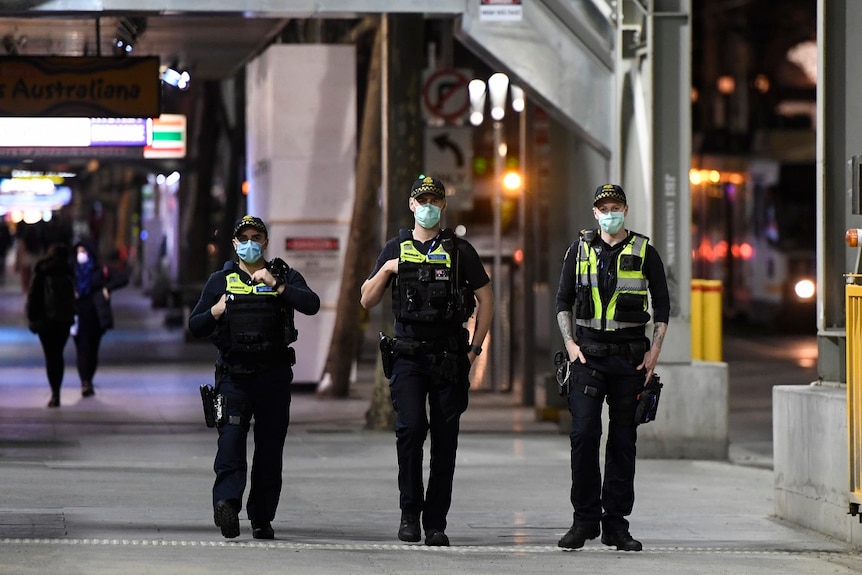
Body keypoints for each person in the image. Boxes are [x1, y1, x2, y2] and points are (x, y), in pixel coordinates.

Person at [360, 176, 494, 547]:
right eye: (423, 200)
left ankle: (436, 522)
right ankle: (409, 515)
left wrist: (474, 350)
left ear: (443, 206)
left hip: (450, 356)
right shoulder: (395, 248)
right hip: (408, 356)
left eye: (436, 200)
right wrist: (387, 269)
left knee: (445, 441)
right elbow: (366, 299)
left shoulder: (459, 250)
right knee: (410, 431)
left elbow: (487, 298)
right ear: (411, 205)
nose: (429, 205)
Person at [188, 215, 320, 540]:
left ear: (265, 242)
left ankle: (261, 517)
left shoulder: (282, 274)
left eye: (256, 237)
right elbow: (195, 326)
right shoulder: (220, 280)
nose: (250, 243)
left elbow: (312, 304)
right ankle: (227, 505)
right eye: (243, 238)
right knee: (230, 443)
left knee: (269, 450)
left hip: (273, 376)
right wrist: (215, 312)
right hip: (234, 376)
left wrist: (277, 285)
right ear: (235, 244)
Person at [554, 184, 670, 552]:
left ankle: (616, 525)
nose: (610, 213)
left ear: (626, 210)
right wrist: (570, 345)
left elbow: (663, 306)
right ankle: (583, 520)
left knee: (623, 442)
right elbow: (563, 300)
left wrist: (654, 352)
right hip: (588, 357)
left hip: (630, 358)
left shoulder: (644, 251)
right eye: (604, 208)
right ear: (594, 212)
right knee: (584, 436)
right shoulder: (579, 250)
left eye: (616, 206)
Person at [72, 240, 128, 398]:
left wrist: (107, 288)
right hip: (78, 315)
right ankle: (85, 382)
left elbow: (123, 278)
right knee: (82, 349)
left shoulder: (100, 269)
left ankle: (88, 378)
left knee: (92, 350)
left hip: (96, 316)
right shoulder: (73, 270)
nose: (80, 255)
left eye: (83, 251)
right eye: (78, 251)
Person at [26, 242, 76, 408]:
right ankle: (57, 390)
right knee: (58, 354)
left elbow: (33, 295)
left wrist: (32, 317)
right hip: (63, 320)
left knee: (50, 355)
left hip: (44, 321)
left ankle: (54, 393)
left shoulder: (41, 270)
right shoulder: (69, 271)